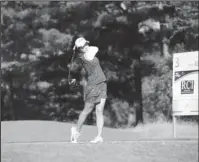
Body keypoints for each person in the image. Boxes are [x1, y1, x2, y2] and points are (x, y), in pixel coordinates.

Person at [69, 37, 107, 143]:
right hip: (93, 86)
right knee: (87, 110)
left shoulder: (88, 52)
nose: (86, 46)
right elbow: (95, 48)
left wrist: (80, 46)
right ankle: (76, 131)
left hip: (102, 84)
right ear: (79, 49)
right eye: (83, 46)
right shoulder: (83, 58)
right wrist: (80, 49)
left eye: (86, 44)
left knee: (99, 111)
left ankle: (99, 136)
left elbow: (94, 48)